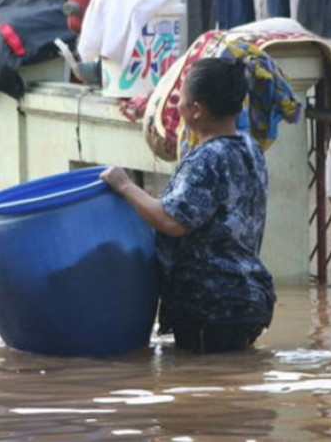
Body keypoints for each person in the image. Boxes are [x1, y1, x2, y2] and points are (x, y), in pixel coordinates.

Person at [101, 56, 276, 354]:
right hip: (247, 298)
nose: (178, 106)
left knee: (206, 393)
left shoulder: (207, 159)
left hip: (212, 305)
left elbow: (172, 221)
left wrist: (124, 185)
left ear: (197, 110)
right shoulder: (249, 148)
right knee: (233, 389)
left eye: (181, 99)